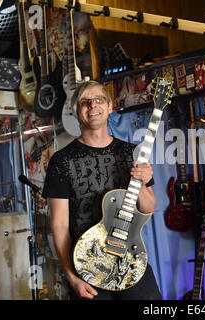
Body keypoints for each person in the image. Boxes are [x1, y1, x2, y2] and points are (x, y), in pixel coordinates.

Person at [42, 80, 162, 300]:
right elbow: (59, 225)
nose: (93, 106)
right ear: (77, 112)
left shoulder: (130, 152)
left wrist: (143, 182)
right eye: (85, 102)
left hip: (131, 260)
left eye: (99, 100)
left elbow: (149, 208)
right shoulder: (61, 161)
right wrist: (72, 277)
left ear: (109, 107)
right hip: (88, 266)